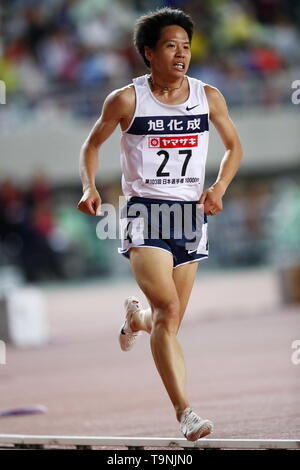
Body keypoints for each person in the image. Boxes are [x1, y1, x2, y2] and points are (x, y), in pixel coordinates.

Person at [77, 7, 243, 441]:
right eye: (171, 46)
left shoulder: (209, 96)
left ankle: (136, 319)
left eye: (186, 46)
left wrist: (219, 187)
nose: (181, 54)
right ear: (149, 53)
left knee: (167, 322)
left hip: (191, 214)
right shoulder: (126, 100)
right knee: (169, 311)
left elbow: (233, 147)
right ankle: (186, 412)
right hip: (145, 212)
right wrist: (89, 186)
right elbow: (91, 145)